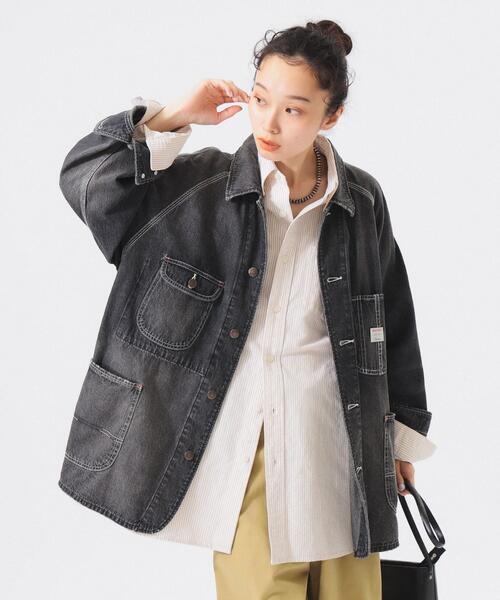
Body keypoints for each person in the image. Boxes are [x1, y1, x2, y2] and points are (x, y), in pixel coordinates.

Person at [58, 19, 437, 600]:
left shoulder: (361, 200)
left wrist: (399, 439)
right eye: (260, 99)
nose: (268, 122)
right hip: (247, 447)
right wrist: (173, 116)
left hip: (344, 442)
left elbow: (391, 319)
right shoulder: (197, 186)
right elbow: (89, 182)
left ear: (331, 116)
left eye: (293, 109)